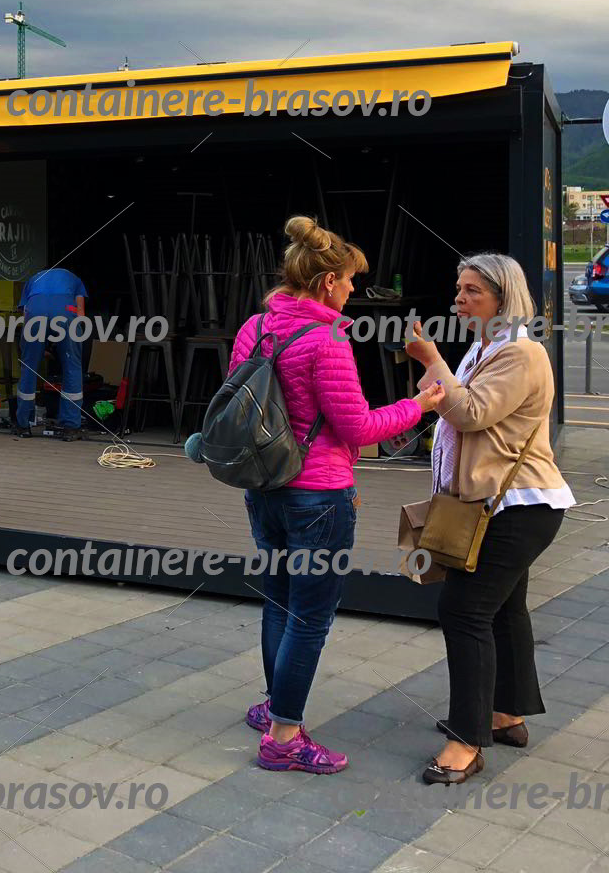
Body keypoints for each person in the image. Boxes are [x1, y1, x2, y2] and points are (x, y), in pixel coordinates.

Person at [235, 216, 443, 774]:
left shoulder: (255, 327)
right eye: (351, 280)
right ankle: (284, 738)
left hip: (264, 487)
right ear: (328, 281)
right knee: (310, 617)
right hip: (319, 497)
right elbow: (358, 427)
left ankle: (273, 705)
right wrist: (419, 406)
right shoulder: (327, 340)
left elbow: (241, 407)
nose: (353, 290)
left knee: (278, 600)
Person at [406, 253, 572, 785]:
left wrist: (432, 359)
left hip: (518, 506)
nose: (459, 298)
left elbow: (469, 413)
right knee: (503, 610)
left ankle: (466, 740)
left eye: (473, 290)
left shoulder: (520, 352)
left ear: (504, 297)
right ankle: (505, 715)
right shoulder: (488, 347)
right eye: (459, 288)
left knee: (463, 611)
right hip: (502, 503)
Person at [13, 264, 88, 440]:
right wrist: (71, 345)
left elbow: (26, 314)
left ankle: (23, 425)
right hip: (66, 311)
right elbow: (80, 314)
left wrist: (39, 348)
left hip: (35, 311)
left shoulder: (33, 279)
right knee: (72, 367)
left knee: (29, 366)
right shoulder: (74, 279)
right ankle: (71, 428)